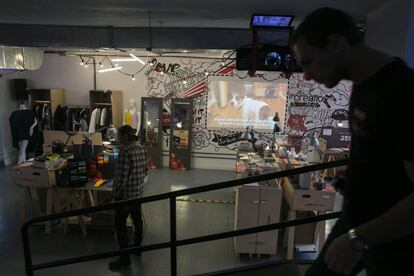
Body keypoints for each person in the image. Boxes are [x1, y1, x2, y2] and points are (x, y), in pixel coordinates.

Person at [291, 7, 414, 276]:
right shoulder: (364, 84)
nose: (307, 76)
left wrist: (359, 239)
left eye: (308, 62)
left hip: (390, 244)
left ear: (335, 44)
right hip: (357, 221)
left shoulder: (402, 91)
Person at [109, 125, 148, 270]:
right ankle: (137, 246)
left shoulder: (125, 151)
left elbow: (121, 177)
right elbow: (145, 171)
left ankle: (124, 258)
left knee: (120, 225)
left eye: (119, 135)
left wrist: (114, 193)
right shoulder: (141, 148)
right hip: (137, 192)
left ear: (125, 136)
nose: (117, 138)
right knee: (137, 219)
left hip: (125, 195)